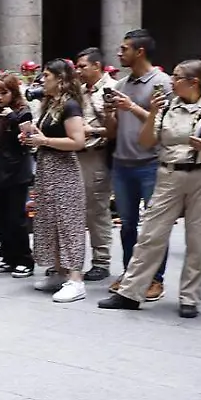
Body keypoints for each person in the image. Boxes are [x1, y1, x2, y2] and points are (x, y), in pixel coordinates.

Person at [100, 59, 201, 316]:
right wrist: (151, 114)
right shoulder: (168, 105)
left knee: (199, 239)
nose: (171, 81)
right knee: (150, 235)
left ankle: (189, 299)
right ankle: (130, 293)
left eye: (176, 77)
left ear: (194, 82)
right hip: (169, 174)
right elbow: (147, 141)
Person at [26, 59, 103, 302]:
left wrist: (44, 141)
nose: (42, 80)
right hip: (47, 169)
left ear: (60, 79)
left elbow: (77, 141)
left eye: (46, 76)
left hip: (65, 170)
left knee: (69, 224)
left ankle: (76, 279)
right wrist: (33, 138)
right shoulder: (50, 105)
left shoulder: (70, 106)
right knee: (51, 222)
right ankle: (58, 271)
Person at [107, 29, 172, 299]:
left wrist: (132, 107)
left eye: (124, 49)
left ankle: (155, 278)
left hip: (150, 163)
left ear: (140, 51)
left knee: (154, 227)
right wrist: (109, 112)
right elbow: (113, 131)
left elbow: (166, 125)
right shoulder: (121, 84)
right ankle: (129, 273)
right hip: (122, 163)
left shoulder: (162, 82)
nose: (120, 53)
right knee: (128, 225)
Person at [0, 74, 35, 277]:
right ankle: (7, 256)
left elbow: (27, 139)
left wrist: (13, 118)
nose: (0, 98)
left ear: (13, 93)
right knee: (0, 217)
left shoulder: (22, 112)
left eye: (4, 93)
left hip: (16, 170)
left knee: (16, 217)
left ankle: (24, 259)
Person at [71, 50, 114, 282]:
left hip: (97, 155)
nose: (78, 71)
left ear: (97, 66)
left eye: (82, 66)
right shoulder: (79, 91)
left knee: (97, 210)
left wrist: (92, 131)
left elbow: (116, 128)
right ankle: (74, 261)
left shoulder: (111, 89)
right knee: (76, 211)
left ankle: (101, 261)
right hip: (75, 155)